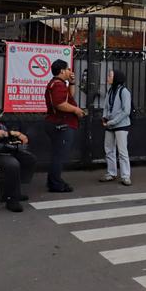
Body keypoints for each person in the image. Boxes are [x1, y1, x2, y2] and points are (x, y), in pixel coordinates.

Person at [44, 59, 85, 193]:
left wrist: (72, 82)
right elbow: (60, 104)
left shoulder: (60, 84)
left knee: (58, 154)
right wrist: (75, 110)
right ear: (62, 71)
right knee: (58, 155)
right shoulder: (57, 85)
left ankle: (54, 181)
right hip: (61, 124)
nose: (70, 71)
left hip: (60, 123)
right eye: (68, 69)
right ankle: (55, 184)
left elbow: (69, 96)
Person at [99, 69, 133, 186]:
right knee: (109, 149)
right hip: (110, 124)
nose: (108, 77)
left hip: (121, 125)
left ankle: (125, 176)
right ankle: (111, 173)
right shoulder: (110, 91)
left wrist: (112, 121)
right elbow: (106, 107)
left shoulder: (124, 91)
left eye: (110, 76)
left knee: (122, 151)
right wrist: (105, 117)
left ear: (116, 78)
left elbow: (126, 111)